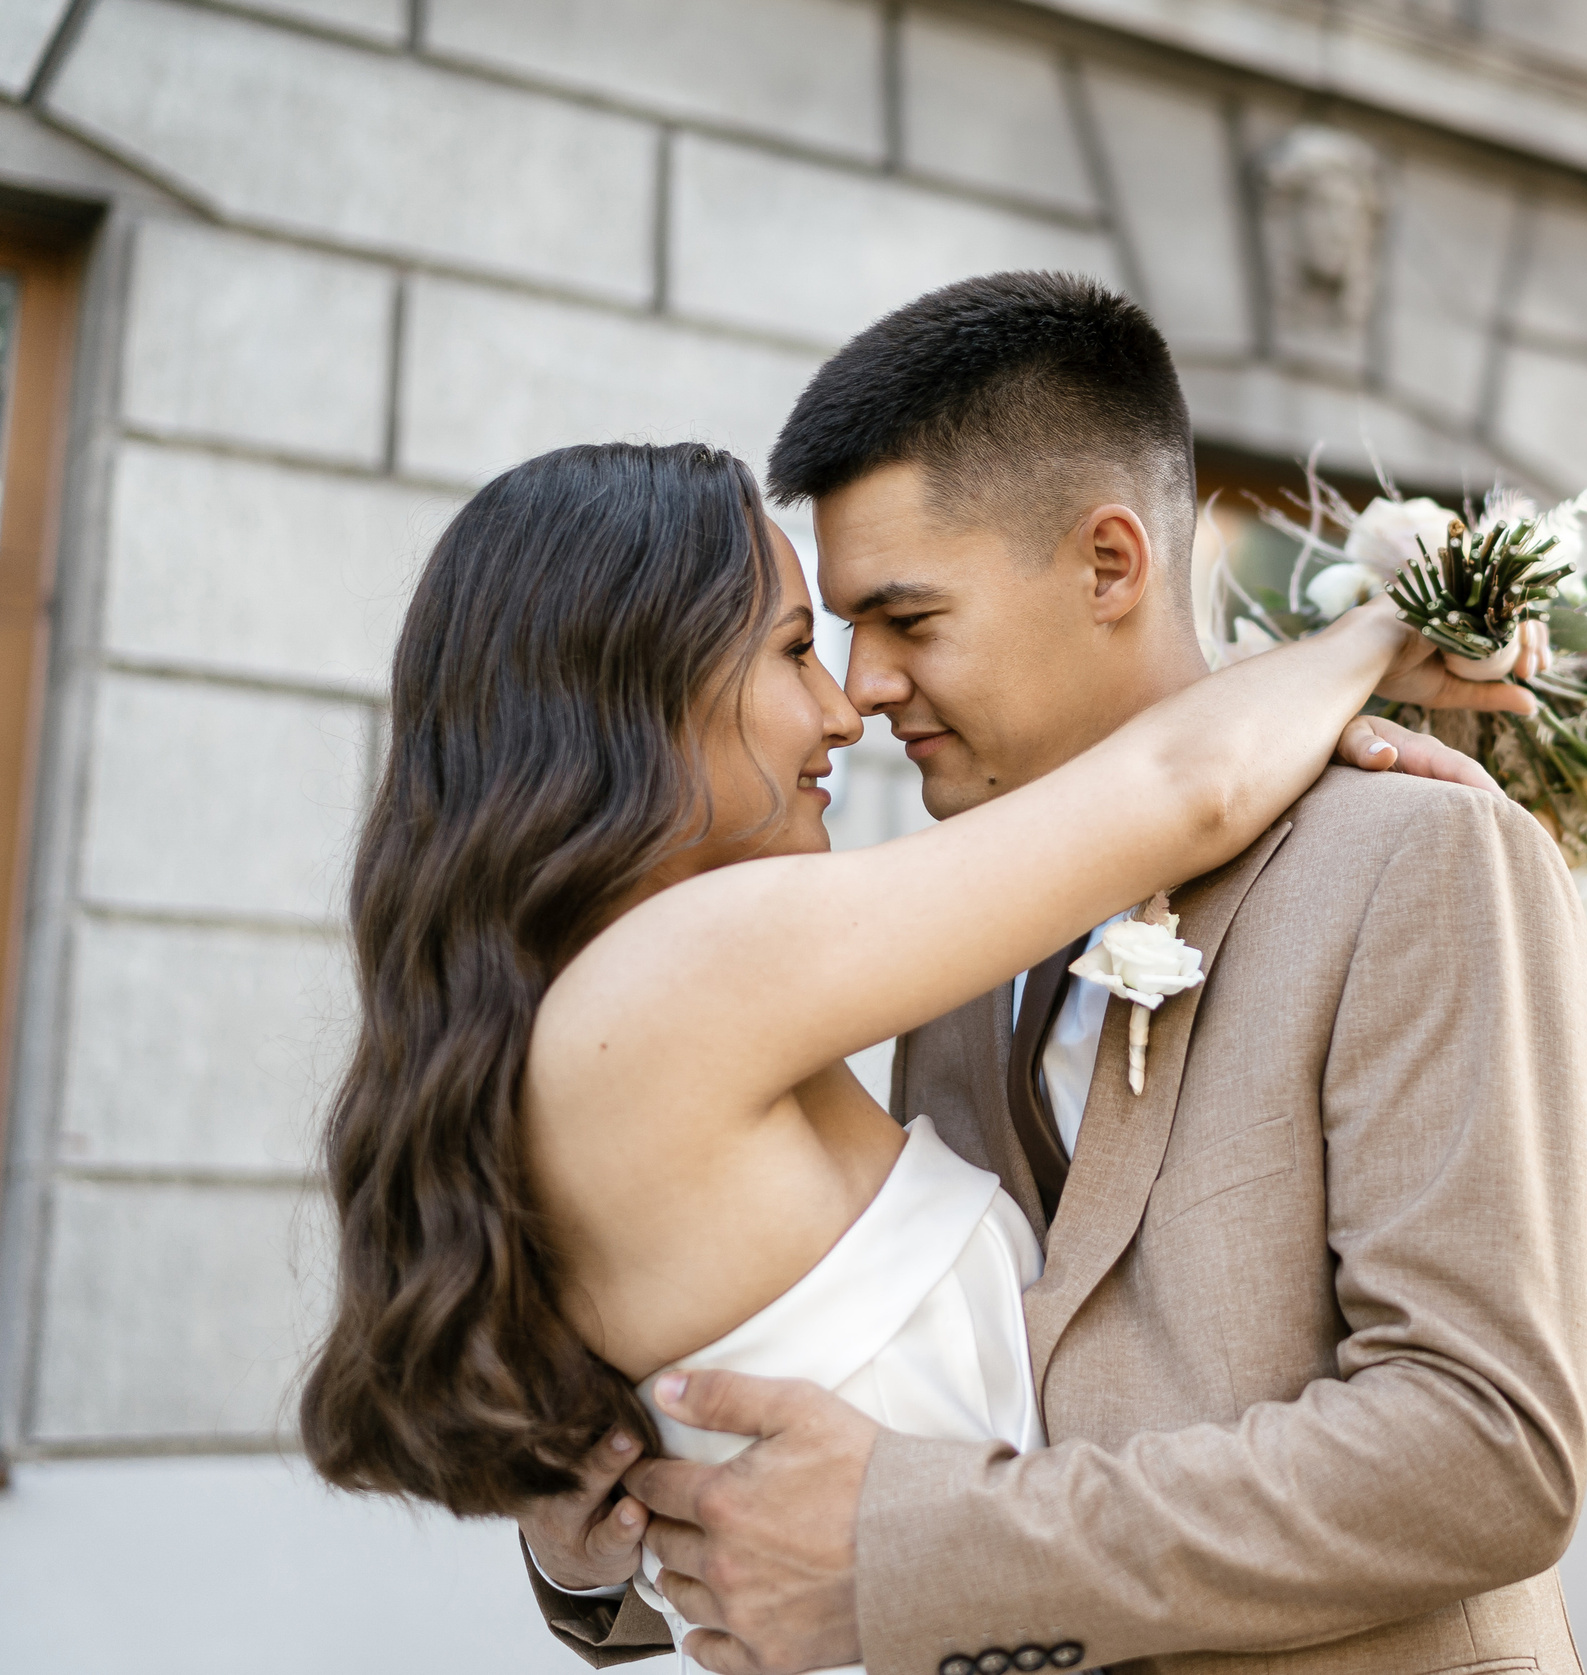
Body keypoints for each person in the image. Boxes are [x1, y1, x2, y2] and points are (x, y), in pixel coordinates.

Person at [512, 274, 1587, 1675]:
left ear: (1108, 563)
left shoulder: (1414, 856)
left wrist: (917, 1555)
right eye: (833, 629)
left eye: (908, 618)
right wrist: (593, 1544)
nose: (863, 687)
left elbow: (1486, 1449)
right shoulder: (944, 942)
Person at [296, 435, 1517, 1668]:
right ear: (633, 685)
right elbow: (1185, 785)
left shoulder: (585, 1008)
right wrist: (1373, 641)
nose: (846, 708)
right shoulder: (687, 974)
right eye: (791, 652)